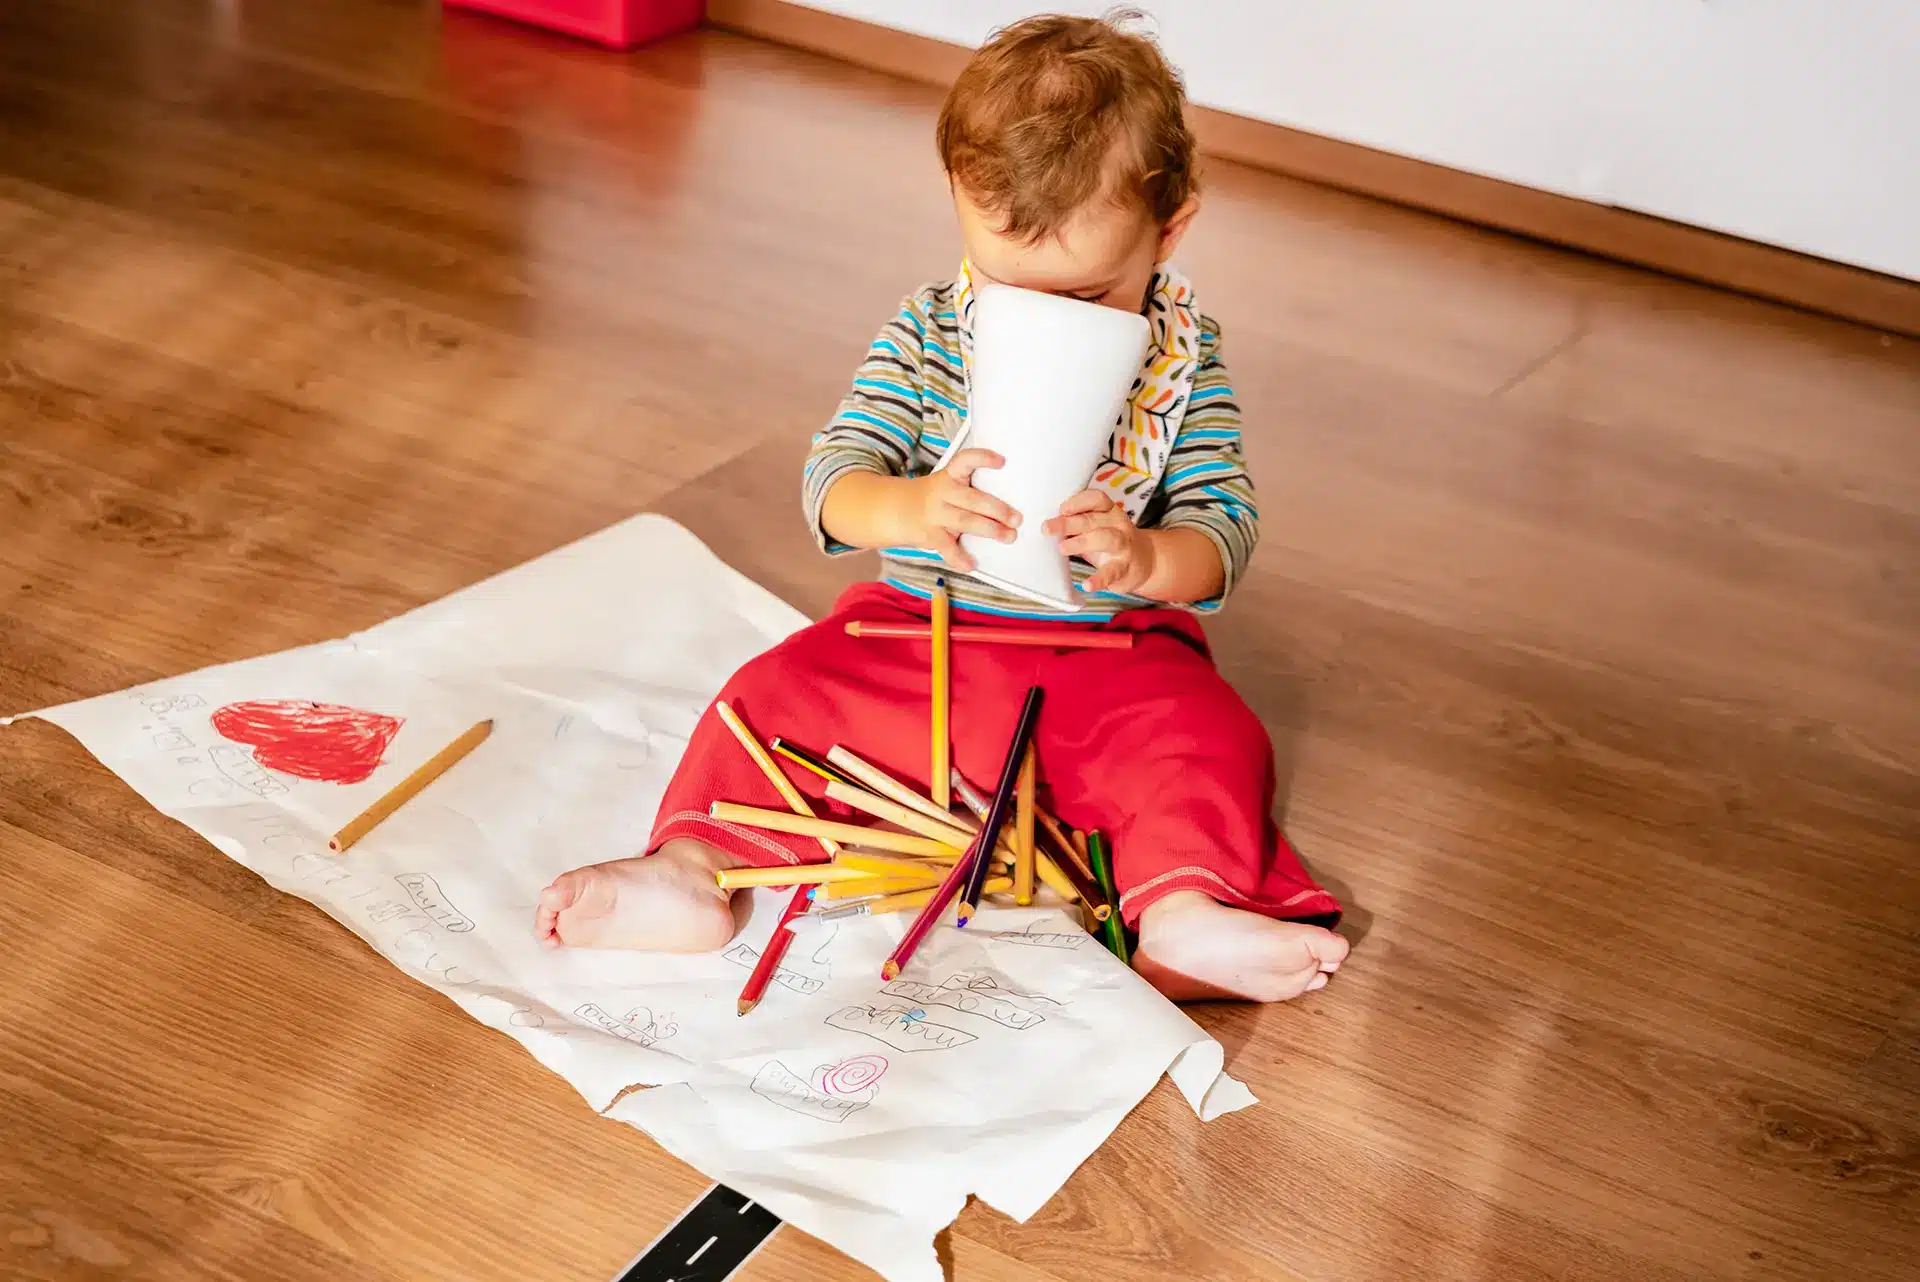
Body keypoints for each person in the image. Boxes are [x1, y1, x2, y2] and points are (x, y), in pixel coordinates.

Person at [535, 11, 1349, 1002]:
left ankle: (1179, 913)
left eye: (1087, 297)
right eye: (1014, 291)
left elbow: (1224, 531)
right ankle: (695, 871)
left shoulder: (1186, 360)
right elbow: (833, 482)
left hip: (1113, 656)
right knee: (773, 693)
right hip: (917, 636)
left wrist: (1147, 561)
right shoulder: (930, 332)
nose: (1046, 318)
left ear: (1170, 232)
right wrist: (911, 507)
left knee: (1205, 737)